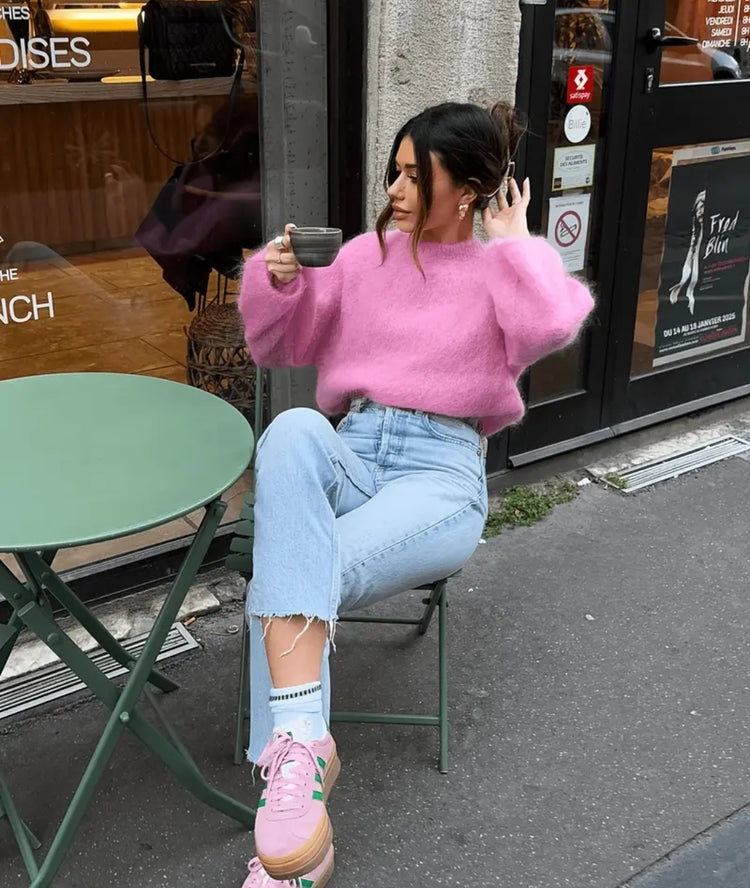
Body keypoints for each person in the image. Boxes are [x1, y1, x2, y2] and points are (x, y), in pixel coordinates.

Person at [236, 101, 595, 888]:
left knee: (289, 571)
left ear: (465, 190)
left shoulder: (499, 269)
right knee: (292, 430)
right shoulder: (364, 258)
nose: (394, 190)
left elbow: (550, 327)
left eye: (413, 175)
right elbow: (281, 344)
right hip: (356, 448)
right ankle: (302, 757)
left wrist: (515, 244)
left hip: (439, 473)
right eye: (393, 173)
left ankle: (292, 840)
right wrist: (277, 282)